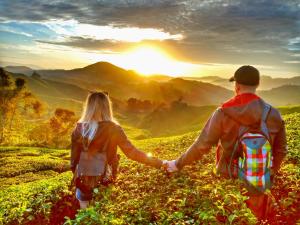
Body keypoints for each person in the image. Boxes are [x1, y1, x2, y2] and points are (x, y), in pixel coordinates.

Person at [164, 65, 287, 220]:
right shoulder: (273, 113)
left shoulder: (222, 112)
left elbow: (202, 145)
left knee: (230, 216)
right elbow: (281, 150)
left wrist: (177, 164)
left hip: (228, 180)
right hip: (259, 180)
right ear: (257, 85)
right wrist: (269, 172)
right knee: (256, 219)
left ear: (237, 86)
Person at [71, 91, 163, 209]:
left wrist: (79, 175)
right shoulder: (114, 128)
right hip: (106, 177)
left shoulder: (79, 128)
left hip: (83, 178)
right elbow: (132, 153)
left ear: (88, 107)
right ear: (107, 107)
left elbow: (74, 160)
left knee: (84, 210)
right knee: (103, 210)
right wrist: (159, 163)